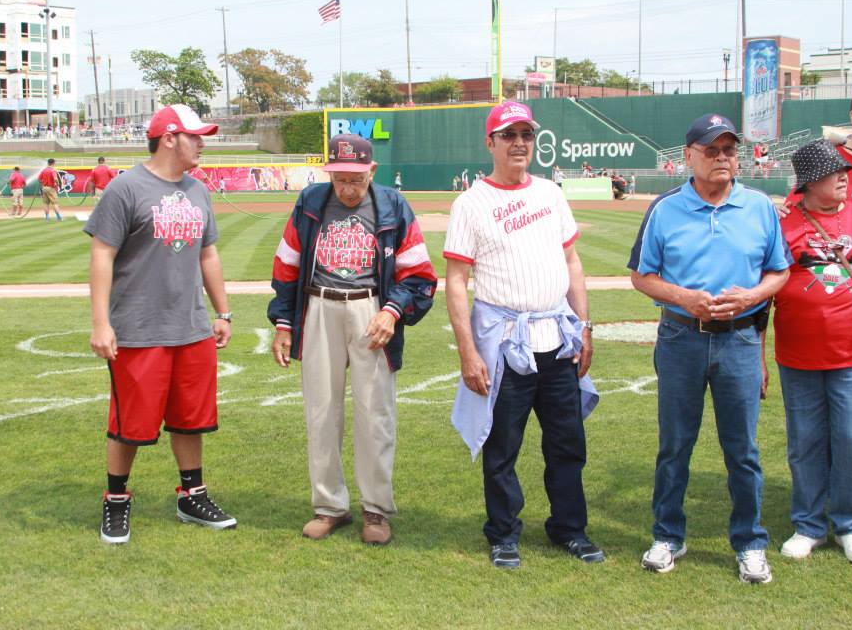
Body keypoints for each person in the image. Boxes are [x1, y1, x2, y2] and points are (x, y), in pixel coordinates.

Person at [628, 113, 790, 583]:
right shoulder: (665, 208)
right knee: (675, 445)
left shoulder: (758, 206)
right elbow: (641, 274)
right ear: (689, 156)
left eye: (729, 150)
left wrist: (753, 296)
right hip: (681, 338)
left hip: (739, 339)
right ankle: (667, 535)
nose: (722, 158)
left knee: (742, 450)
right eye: (712, 150)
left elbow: (779, 271)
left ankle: (750, 541)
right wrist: (685, 298)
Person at [445, 101, 602, 570]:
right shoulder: (470, 203)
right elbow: (455, 282)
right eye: (509, 135)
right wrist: (468, 353)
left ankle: (569, 528)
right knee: (502, 447)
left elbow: (572, 262)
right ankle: (503, 534)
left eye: (526, 135)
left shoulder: (551, 194)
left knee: (567, 443)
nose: (519, 144)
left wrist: (584, 326)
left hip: (556, 338)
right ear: (490, 142)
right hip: (503, 344)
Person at [268, 133, 436, 546]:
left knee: (375, 413)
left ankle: (376, 510)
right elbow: (287, 264)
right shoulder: (310, 202)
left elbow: (419, 275)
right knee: (321, 412)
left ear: (371, 171)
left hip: (371, 311)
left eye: (355, 180)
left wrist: (393, 310)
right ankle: (329, 506)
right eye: (339, 179)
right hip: (319, 308)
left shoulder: (392, 205)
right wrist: (284, 323)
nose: (346, 188)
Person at [84, 104, 237, 544]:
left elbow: (208, 253)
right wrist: (100, 323)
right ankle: (116, 500)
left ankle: (192, 494)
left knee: (192, 417)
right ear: (169, 137)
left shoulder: (197, 190)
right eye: (196, 136)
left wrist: (222, 312)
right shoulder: (126, 188)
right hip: (137, 326)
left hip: (190, 326)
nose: (203, 144)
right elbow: (102, 254)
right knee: (129, 421)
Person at [772, 139, 852, 565]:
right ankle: (808, 525)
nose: (843, 176)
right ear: (808, 183)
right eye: (832, 172)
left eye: (844, 170)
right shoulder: (783, 223)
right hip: (798, 354)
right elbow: (764, 287)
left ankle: (850, 525)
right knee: (805, 441)